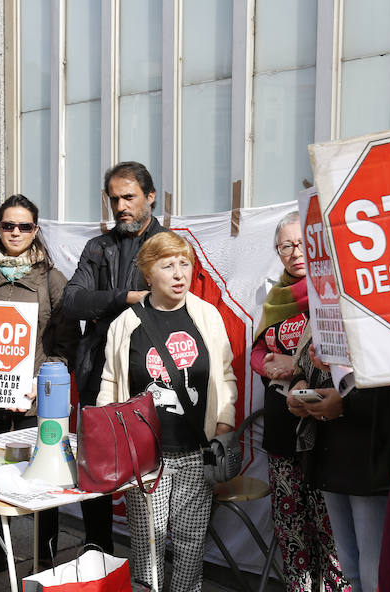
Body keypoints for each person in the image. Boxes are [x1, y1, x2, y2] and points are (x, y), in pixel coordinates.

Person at [0, 194, 80, 586]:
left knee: (43, 480)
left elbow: (66, 340)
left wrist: (45, 384)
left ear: (35, 230)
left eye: (24, 226)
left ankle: (46, 558)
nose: (16, 232)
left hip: (30, 401)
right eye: (8, 225)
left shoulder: (50, 279)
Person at [97, 231, 237, 591]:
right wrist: (113, 442)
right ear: (148, 273)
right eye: (168, 265)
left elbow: (224, 373)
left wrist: (224, 422)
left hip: (196, 449)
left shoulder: (208, 316)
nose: (179, 274)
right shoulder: (125, 324)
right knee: (148, 545)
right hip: (145, 457)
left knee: (191, 544)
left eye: (184, 263)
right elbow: (110, 385)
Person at [63, 161, 169, 552]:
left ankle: (148, 565)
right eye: (114, 199)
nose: (121, 206)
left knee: (148, 473)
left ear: (150, 196)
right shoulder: (98, 246)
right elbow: (72, 301)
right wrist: (126, 299)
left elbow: (175, 310)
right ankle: (97, 553)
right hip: (96, 373)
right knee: (97, 470)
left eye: (130, 197)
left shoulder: (167, 246)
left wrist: (103, 306)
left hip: (149, 379)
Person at [250, 211, 344, 592]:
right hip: (281, 427)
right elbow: (259, 349)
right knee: (291, 526)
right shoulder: (277, 298)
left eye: (302, 242)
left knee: (332, 530)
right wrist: (271, 366)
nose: (295, 252)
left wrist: (297, 364)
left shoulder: (333, 290)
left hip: (326, 428)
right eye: (286, 245)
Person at [288, 328, 390, 592]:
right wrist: (299, 386)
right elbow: (304, 362)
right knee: (349, 565)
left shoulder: (375, 308)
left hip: (371, 457)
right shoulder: (323, 304)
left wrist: (347, 402)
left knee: (374, 571)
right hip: (330, 451)